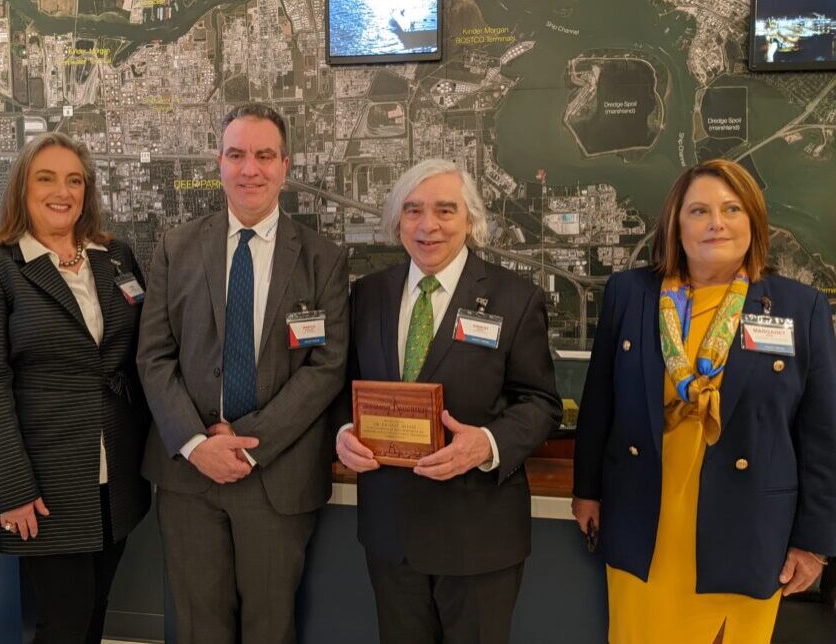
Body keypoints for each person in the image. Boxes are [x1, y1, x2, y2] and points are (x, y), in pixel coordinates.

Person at [573, 159, 836, 643]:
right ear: (676, 225)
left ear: (753, 222)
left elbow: (822, 434)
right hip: (645, 521)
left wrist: (814, 543)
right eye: (699, 210)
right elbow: (599, 405)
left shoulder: (802, 308)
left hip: (747, 528)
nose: (716, 222)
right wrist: (586, 489)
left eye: (731, 208)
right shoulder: (629, 295)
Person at [137, 103, 349, 644]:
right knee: (198, 626)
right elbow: (153, 356)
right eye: (237, 155)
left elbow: (325, 367)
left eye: (263, 155)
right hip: (189, 475)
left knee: (269, 628)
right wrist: (193, 443)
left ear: (285, 165)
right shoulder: (176, 247)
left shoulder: (323, 258)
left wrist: (251, 442)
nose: (249, 169)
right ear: (219, 163)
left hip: (276, 476)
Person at [335, 158, 562, 644]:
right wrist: (342, 435)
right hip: (391, 537)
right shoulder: (368, 296)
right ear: (397, 223)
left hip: (478, 538)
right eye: (413, 210)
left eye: (445, 210)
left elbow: (541, 402)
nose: (428, 225)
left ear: (470, 221)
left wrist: (485, 443)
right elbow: (342, 387)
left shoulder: (514, 298)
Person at [0, 132, 150, 644]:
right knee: (62, 623)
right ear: (23, 188)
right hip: (44, 483)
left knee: (95, 612)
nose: (61, 191)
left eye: (74, 180)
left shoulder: (117, 257)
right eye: (46, 178)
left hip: (117, 474)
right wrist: (14, 488)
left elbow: (143, 355)